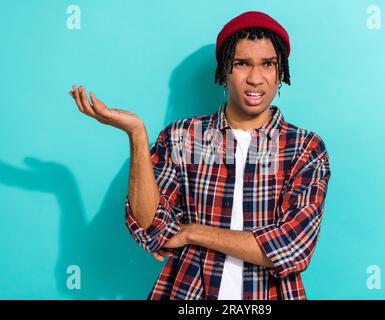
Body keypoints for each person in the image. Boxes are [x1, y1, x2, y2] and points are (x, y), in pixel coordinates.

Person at [68, 11, 331, 300]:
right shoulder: (181, 137)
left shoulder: (305, 148)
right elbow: (151, 228)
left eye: (268, 64)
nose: (256, 78)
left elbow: (292, 247)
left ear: (280, 72)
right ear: (225, 71)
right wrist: (137, 135)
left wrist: (193, 232)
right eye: (242, 64)